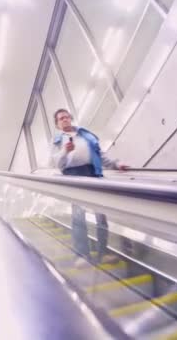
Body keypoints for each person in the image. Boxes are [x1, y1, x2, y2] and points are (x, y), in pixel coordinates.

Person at [50, 108, 128, 263]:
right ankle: (82, 255)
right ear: (57, 124)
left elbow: (100, 155)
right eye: (61, 119)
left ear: (71, 118)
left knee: (101, 214)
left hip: (93, 172)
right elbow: (55, 163)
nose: (65, 119)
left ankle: (103, 253)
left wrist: (116, 164)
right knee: (78, 214)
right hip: (72, 175)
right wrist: (65, 151)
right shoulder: (57, 141)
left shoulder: (85, 135)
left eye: (66, 117)